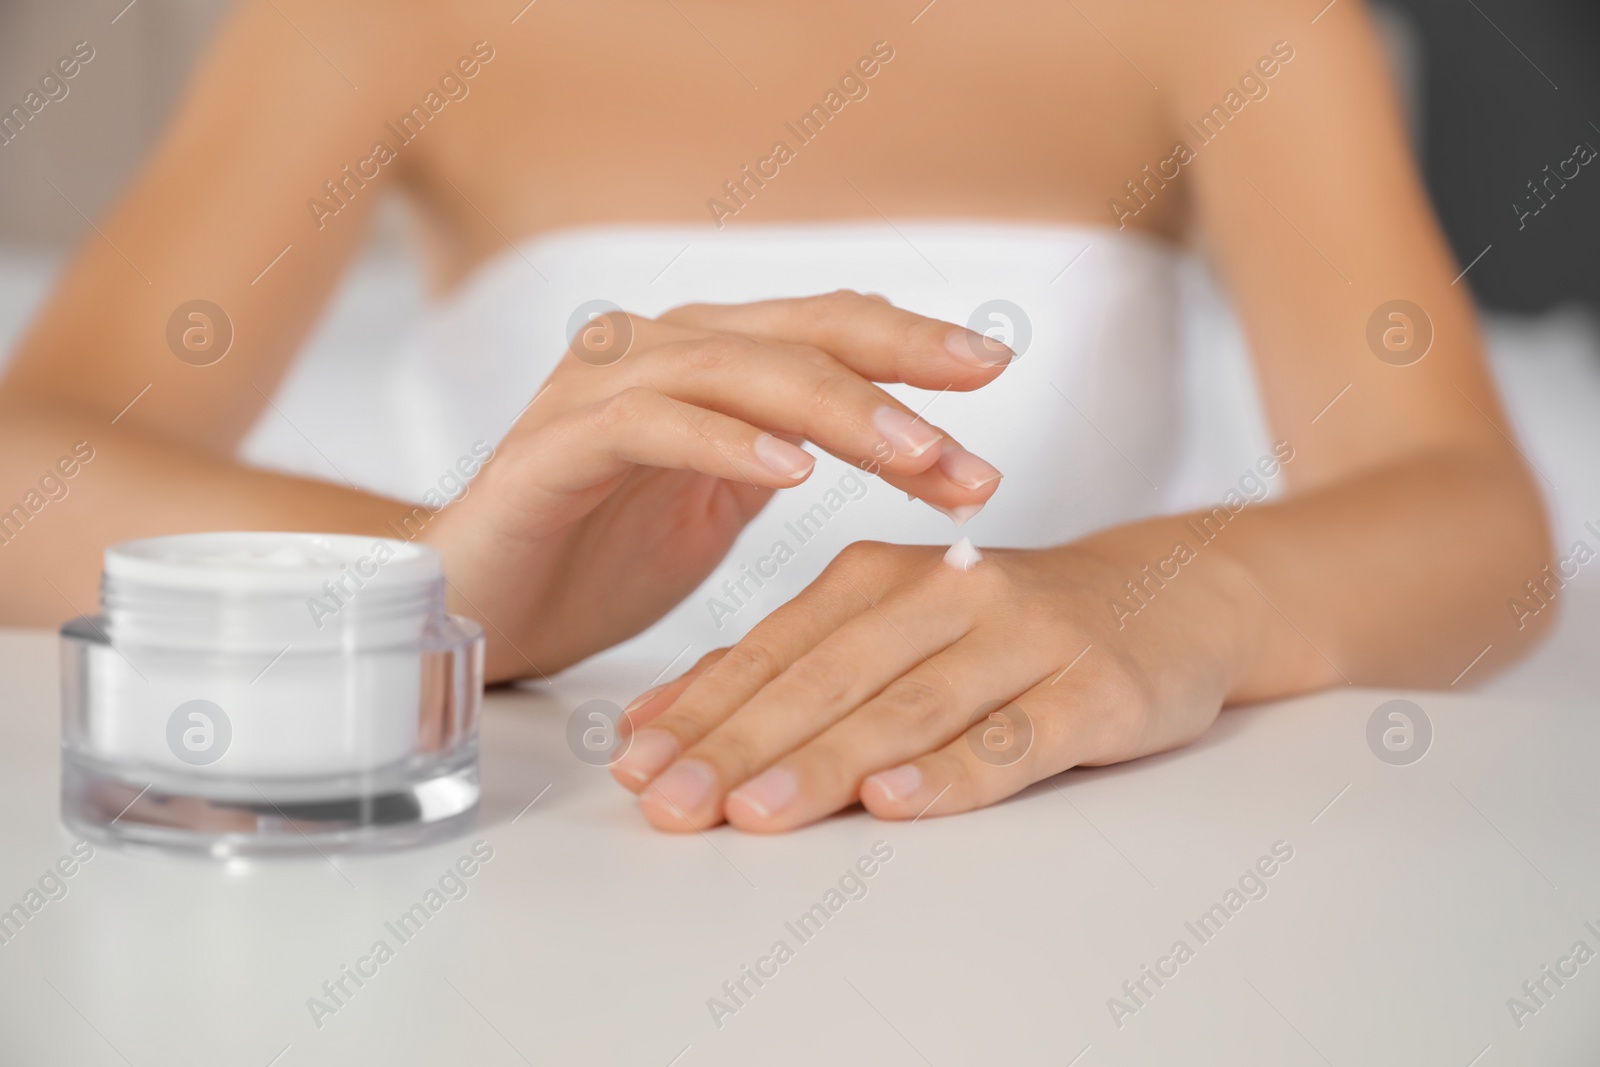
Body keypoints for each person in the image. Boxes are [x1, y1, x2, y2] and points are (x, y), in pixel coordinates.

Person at [0, 0, 1552, 834]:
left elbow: (1472, 514)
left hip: (1059, 850)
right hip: (560, 847)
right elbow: (29, 463)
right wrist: (436, 578)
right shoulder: (371, 20)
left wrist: (1156, 602)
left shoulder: (1229, 18)